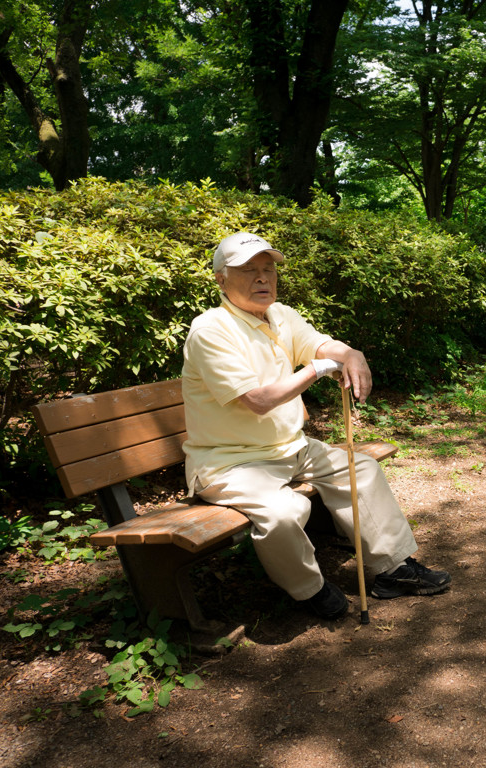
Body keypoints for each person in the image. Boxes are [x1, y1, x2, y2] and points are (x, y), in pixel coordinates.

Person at [181, 231, 451, 620]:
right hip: (229, 462)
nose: (263, 279)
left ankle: (392, 570)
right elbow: (258, 400)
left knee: (361, 468)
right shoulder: (211, 330)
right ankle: (309, 589)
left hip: (290, 448)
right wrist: (319, 368)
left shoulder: (281, 315)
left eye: (269, 270)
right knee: (282, 513)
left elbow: (320, 345)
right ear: (221, 279)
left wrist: (350, 353)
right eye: (249, 270)